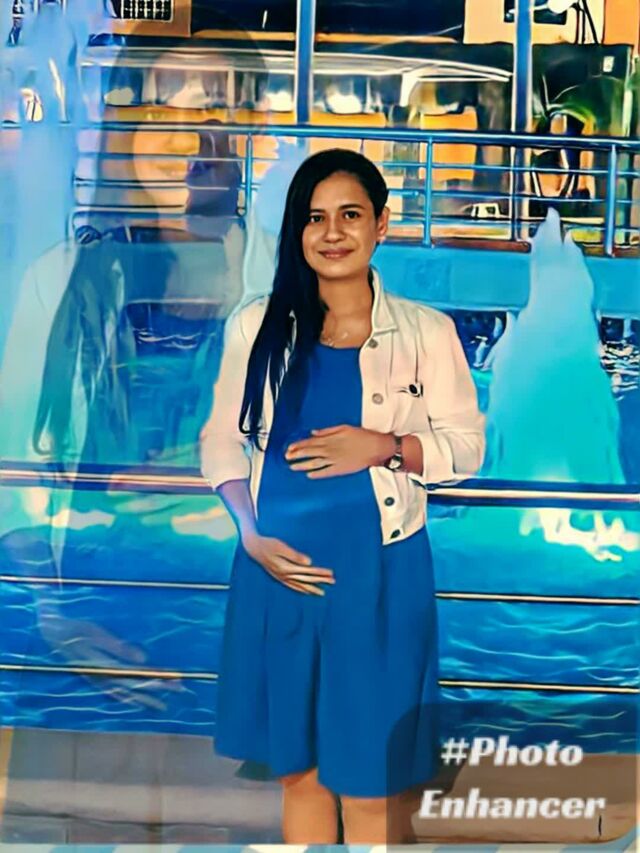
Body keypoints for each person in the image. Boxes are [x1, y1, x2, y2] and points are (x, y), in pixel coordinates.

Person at [199, 148, 485, 843]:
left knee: (368, 781)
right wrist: (250, 534)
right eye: (314, 217)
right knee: (299, 775)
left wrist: (383, 446)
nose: (332, 233)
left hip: (380, 578)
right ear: (297, 231)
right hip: (277, 574)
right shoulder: (256, 326)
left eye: (350, 215)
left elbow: (467, 449)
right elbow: (220, 442)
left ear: (382, 224)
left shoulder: (426, 333)